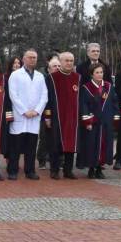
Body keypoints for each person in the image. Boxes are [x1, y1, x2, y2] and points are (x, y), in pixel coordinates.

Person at [7, 49, 48, 180]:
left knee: (31, 146)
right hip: (20, 115)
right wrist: (24, 111)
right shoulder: (15, 75)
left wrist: (36, 111)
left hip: (34, 117)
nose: (32, 60)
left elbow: (44, 96)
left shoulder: (40, 76)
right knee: (15, 146)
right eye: (30, 57)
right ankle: (12, 170)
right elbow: (13, 95)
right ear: (23, 59)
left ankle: (30, 170)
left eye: (34, 58)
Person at [77, 64, 119, 179]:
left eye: (101, 72)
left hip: (106, 122)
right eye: (97, 72)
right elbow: (83, 106)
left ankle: (99, 168)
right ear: (92, 74)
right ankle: (91, 168)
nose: (100, 74)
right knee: (91, 145)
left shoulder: (109, 86)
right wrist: (88, 121)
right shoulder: (86, 88)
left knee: (104, 145)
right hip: (93, 122)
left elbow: (115, 102)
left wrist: (115, 118)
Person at [44, 52, 81, 180]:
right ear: (60, 62)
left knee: (71, 143)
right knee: (55, 143)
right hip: (56, 116)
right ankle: (54, 170)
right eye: (66, 60)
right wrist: (47, 116)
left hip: (73, 117)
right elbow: (46, 99)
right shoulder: (52, 77)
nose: (69, 63)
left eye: (71, 60)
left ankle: (68, 170)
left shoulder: (78, 77)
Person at [37, 57, 60, 170]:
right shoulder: (45, 80)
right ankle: (42, 160)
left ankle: (58, 161)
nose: (57, 68)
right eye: (55, 66)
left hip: (60, 114)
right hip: (46, 113)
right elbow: (44, 99)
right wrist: (47, 115)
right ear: (49, 69)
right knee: (45, 137)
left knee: (58, 138)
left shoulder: (62, 79)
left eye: (59, 66)